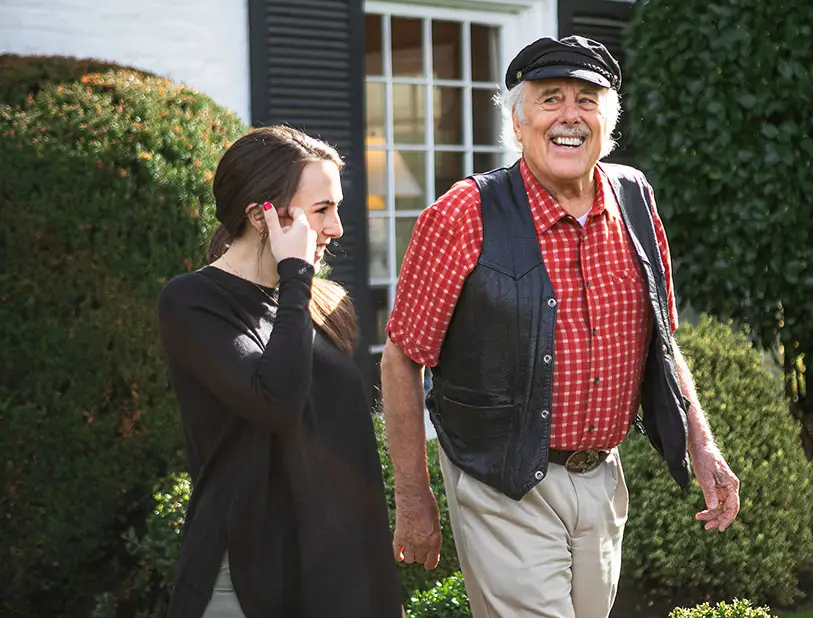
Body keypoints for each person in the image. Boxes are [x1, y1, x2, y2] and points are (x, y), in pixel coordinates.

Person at [380, 36, 741, 618]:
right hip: (500, 480)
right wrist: (413, 495)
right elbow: (402, 357)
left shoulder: (634, 198)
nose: (569, 116)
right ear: (518, 124)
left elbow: (664, 342)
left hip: (602, 476)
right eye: (550, 100)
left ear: (607, 122)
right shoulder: (463, 213)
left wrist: (702, 444)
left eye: (586, 100)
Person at [157, 125, 403, 618]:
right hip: (250, 577)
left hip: (341, 578)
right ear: (260, 215)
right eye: (321, 211)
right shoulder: (192, 301)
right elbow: (275, 403)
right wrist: (295, 277)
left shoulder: (321, 304)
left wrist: (380, 588)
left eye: (335, 208)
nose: (335, 228)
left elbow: (351, 456)